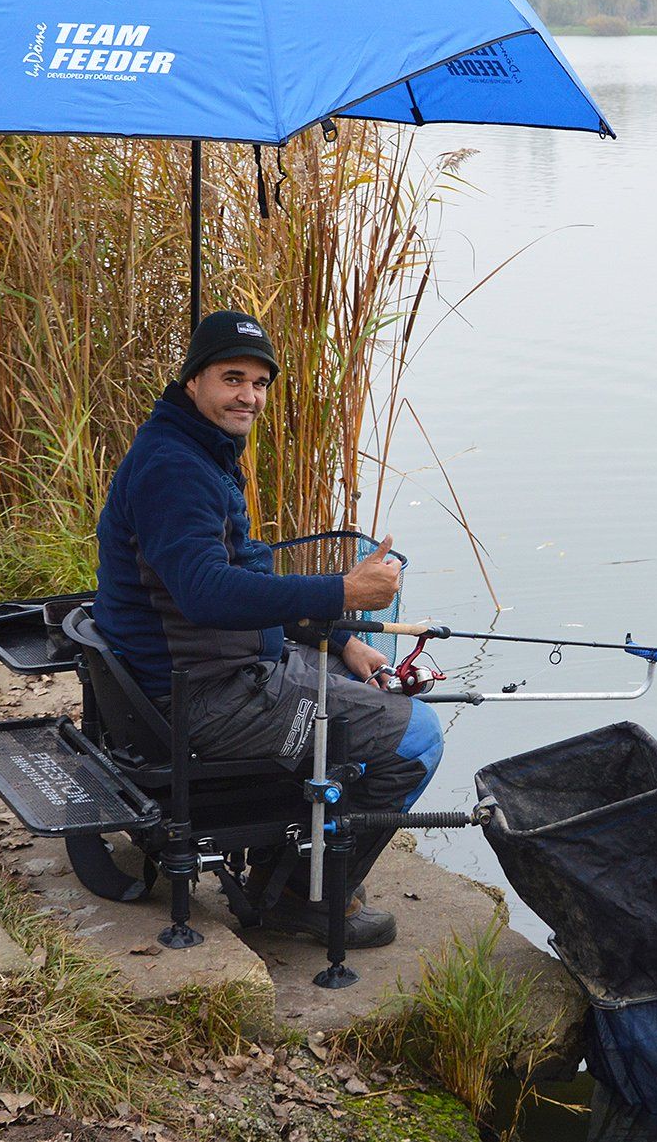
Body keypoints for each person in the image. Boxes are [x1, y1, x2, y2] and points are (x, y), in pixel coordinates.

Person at [92, 309, 443, 948]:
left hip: (206, 670)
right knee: (417, 738)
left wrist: (338, 637)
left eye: (259, 383)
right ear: (194, 379)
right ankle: (300, 894)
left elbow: (244, 571)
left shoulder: (196, 449)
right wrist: (343, 590)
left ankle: (286, 853)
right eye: (233, 379)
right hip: (204, 696)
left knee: (371, 682)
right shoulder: (178, 470)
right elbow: (205, 592)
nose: (248, 396)